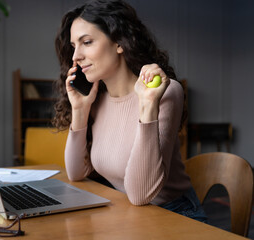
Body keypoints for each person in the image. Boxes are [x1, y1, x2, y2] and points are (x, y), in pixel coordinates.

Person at [53, 0, 207, 222]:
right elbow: (76, 174)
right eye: (73, 46)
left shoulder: (163, 92)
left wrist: (147, 106)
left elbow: (141, 194)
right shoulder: (97, 98)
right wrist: (80, 109)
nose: (75, 56)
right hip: (126, 212)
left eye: (86, 42)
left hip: (173, 215)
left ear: (118, 42)